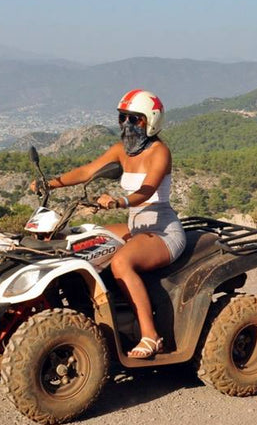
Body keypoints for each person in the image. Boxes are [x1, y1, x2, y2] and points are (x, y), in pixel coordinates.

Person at [31, 89, 185, 359]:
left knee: (121, 262)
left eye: (134, 119)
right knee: (80, 241)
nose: (126, 125)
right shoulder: (120, 151)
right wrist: (50, 184)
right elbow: (87, 171)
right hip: (136, 228)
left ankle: (150, 335)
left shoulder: (160, 152)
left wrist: (120, 202)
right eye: (122, 118)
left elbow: (147, 190)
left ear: (150, 121)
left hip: (162, 231)